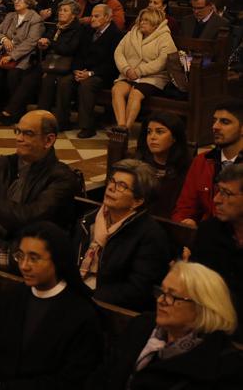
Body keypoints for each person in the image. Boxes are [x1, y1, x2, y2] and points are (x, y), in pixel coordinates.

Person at [0, 222, 104, 390]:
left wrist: (5, 388)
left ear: (57, 260)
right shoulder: (13, 296)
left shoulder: (81, 314)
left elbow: (71, 380)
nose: (24, 265)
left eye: (34, 258)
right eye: (20, 256)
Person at [87, 261, 242, 389]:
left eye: (172, 296)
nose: (161, 301)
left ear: (203, 307)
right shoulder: (142, 325)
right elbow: (104, 375)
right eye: (162, 292)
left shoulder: (224, 366)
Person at [0, 110, 77, 270]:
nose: (18, 138)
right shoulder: (1, 165)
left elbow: (30, 218)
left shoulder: (62, 177)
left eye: (28, 134)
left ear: (48, 140)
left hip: (29, 263)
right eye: (17, 131)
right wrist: (4, 231)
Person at [74, 159, 171, 311]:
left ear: (137, 201)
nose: (111, 188)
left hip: (107, 306)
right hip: (79, 291)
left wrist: (90, 296)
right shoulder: (89, 219)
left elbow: (136, 289)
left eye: (122, 186)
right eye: (112, 181)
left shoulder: (150, 236)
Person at [50, 4, 123, 137]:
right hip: (83, 70)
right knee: (65, 81)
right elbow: (78, 54)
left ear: (107, 18)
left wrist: (90, 73)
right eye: (92, 16)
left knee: (87, 85)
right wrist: (76, 70)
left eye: (96, 16)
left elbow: (112, 63)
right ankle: (62, 120)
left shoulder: (116, 35)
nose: (92, 19)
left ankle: (87, 126)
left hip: (102, 74)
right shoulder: (88, 31)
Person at [188, 164, 243, 342]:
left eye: (227, 193)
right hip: (207, 329)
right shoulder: (209, 232)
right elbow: (196, 286)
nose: (217, 200)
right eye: (218, 191)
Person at [173, 99, 243, 225]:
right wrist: (184, 224)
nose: (215, 127)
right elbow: (185, 208)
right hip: (206, 236)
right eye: (214, 121)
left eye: (225, 122)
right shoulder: (202, 161)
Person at [112, 8, 177, 131]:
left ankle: (127, 128)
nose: (142, 22)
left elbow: (162, 61)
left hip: (152, 77)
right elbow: (118, 53)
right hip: (129, 73)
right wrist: (126, 69)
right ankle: (121, 125)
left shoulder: (164, 37)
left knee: (135, 94)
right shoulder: (132, 33)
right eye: (141, 20)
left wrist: (139, 71)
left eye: (146, 20)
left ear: (155, 22)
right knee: (117, 90)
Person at [0, 0, 45, 123]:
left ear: (29, 1)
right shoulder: (10, 16)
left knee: (14, 74)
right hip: (4, 55)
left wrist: (12, 56)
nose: (16, 2)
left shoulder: (35, 19)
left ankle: (14, 113)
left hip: (23, 57)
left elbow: (31, 42)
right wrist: (4, 39)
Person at [33, 0, 84, 127]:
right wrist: (43, 44)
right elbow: (48, 40)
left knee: (64, 82)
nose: (61, 13)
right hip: (53, 63)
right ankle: (42, 117)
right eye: (60, 10)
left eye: (65, 11)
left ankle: (62, 120)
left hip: (70, 65)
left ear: (73, 15)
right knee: (46, 79)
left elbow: (70, 49)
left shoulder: (78, 29)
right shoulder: (56, 26)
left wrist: (51, 43)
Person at [134, 112, 191, 217]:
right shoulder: (139, 164)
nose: (152, 137)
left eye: (159, 132)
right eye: (149, 132)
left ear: (174, 137)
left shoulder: (186, 169)